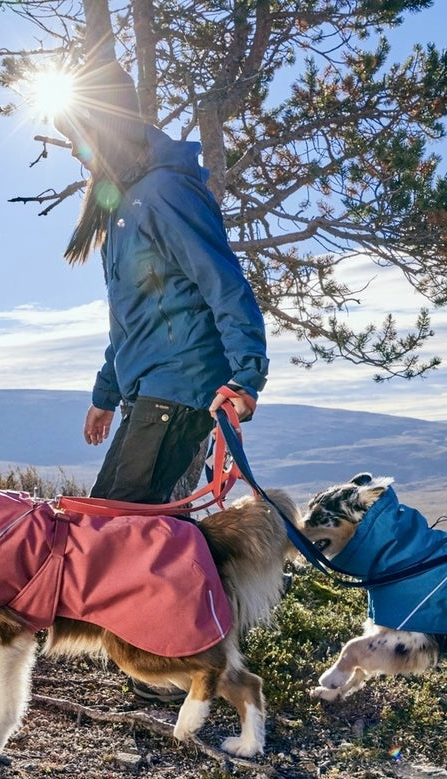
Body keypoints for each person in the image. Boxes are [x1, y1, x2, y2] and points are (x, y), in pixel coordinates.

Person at [54, 59, 268, 506]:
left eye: (77, 137)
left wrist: (247, 376)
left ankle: (201, 577)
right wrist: (105, 396)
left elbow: (223, 281)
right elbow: (134, 321)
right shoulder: (123, 207)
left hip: (179, 385)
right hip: (152, 388)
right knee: (107, 514)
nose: (74, 152)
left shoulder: (166, 191)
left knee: (114, 524)